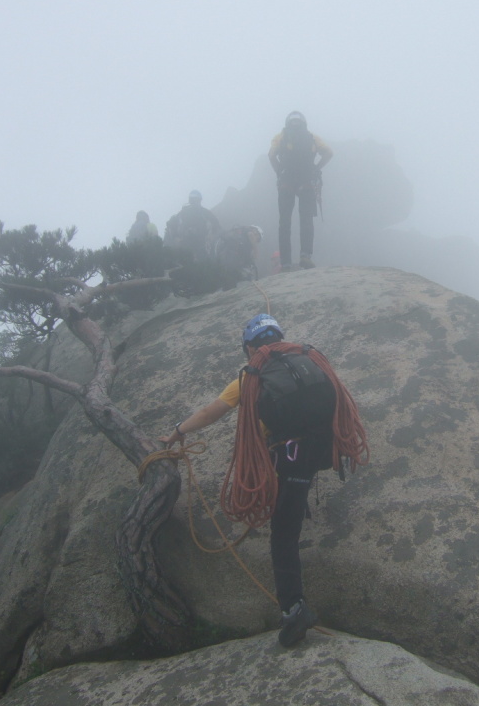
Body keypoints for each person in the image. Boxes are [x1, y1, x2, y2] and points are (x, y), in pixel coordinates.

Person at [159, 314, 369, 648]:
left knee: (283, 535)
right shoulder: (309, 359)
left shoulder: (251, 377)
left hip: (288, 455)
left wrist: (177, 433)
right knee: (293, 497)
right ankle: (296, 502)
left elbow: (211, 412)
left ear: (249, 347)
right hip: (322, 448)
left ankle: (293, 610)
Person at [268, 112, 333, 271]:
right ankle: (305, 255)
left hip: (286, 182)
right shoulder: (312, 137)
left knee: (284, 222)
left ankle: (286, 262)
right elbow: (329, 153)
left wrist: (279, 172)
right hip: (307, 181)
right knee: (306, 219)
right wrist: (316, 168)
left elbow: (271, 155)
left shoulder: (281, 136)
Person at [164, 190, 221, 261]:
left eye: (196, 200)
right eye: (193, 200)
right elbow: (172, 224)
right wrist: (176, 237)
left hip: (200, 243)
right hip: (186, 242)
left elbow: (216, 223)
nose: (195, 202)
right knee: (188, 262)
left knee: (201, 261)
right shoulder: (184, 212)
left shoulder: (204, 212)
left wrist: (212, 235)